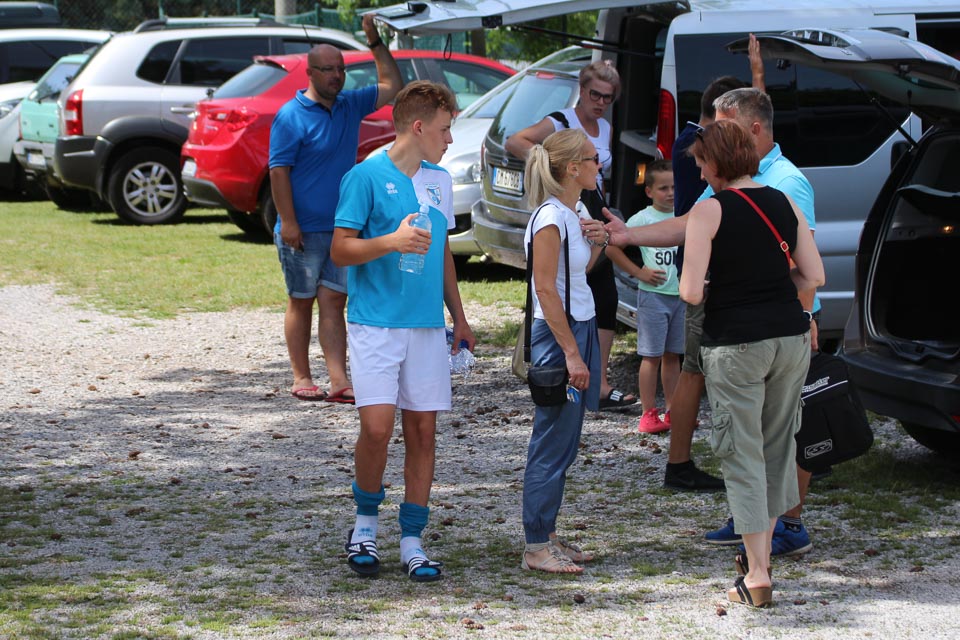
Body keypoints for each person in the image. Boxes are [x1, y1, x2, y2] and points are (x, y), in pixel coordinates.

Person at [605, 85, 821, 551]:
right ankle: (763, 530)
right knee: (770, 437)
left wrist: (803, 314)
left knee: (750, 442)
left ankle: (773, 540)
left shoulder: (788, 182)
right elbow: (811, 270)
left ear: (746, 135)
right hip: (777, 332)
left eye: (716, 137)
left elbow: (694, 278)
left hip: (748, 334)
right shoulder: (752, 192)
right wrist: (630, 236)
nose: (700, 166)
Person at [330, 81, 476, 583]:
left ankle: (413, 540)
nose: (450, 139)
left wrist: (459, 317)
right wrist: (390, 241)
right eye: (445, 129)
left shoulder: (440, 180)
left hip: (427, 327)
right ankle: (364, 526)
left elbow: (443, 253)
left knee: (422, 432)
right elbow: (340, 249)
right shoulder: (364, 176)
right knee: (376, 428)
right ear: (418, 127)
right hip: (375, 324)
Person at [679, 119, 824, 606]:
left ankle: (758, 573)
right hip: (789, 338)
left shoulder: (708, 211)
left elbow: (690, 291)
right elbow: (814, 275)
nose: (700, 173)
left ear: (717, 163)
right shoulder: (783, 201)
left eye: (702, 164)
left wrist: (720, 283)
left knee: (742, 453)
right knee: (776, 447)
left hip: (736, 343)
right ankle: (762, 555)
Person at [269, 13, 402, 402]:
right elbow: (278, 171)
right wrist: (288, 221)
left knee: (334, 302)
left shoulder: (349, 105)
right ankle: (301, 377)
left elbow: (392, 85)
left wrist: (374, 40)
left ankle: (338, 380)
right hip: (303, 229)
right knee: (301, 300)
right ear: (309, 73)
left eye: (340, 69)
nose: (337, 76)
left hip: (342, 229)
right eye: (328, 70)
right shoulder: (290, 116)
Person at [505, 60, 636, 410]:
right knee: (560, 282)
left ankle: (598, 380)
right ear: (582, 89)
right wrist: (550, 167)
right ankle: (583, 372)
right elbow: (516, 141)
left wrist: (601, 236)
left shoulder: (604, 127)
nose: (601, 102)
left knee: (601, 292)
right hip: (570, 197)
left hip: (587, 203)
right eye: (595, 94)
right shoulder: (561, 122)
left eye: (609, 97)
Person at [520, 128, 609, 574]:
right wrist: (572, 354)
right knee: (552, 441)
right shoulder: (550, 218)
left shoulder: (574, 212)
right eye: (593, 159)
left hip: (579, 326)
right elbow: (545, 289)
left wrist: (599, 242)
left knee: (566, 441)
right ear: (573, 168)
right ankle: (536, 545)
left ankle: (548, 534)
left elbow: (578, 272)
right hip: (560, 335)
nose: (599, 165)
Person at [619, 160, 683, 434]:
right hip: (653, 298)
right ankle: (648, 413)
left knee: (673, 356)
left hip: (681, 297)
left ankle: (673, 410)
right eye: (663, 188)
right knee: (651, 356)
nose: (670, 193)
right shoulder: (641, 220)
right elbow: (612, 247)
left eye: (674, 187)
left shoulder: (684, 216)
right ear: (649, 192)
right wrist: (638, 272)